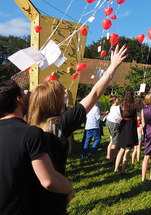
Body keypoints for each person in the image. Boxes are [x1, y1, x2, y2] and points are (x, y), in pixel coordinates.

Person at [28, 44, 127, 214]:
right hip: (54, 199)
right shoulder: (60, 124)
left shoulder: (26, 128)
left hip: (28, 200)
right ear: (55, 103)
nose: (66, 96)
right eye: (62, 95)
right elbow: (94, 94)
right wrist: (112, 66)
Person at [0, 80, 74, 214]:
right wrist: (69, 187)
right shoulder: (30, 133)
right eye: (24, 92)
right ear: (19, 99)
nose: (28, 95)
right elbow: (49, 181)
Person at [114, 90, 144, 174]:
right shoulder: (133, 104)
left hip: (123, 124)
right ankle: (123, 170)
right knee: (128, 149)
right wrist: (140, 97)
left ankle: (116, 168)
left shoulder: (121, 105)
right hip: (130, 124)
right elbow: (142, 106)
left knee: (122, 149)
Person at [105, 96, 122, 164]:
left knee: (112, 139)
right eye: (117, 98)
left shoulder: (112, 107)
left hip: (108, 122)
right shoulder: (117, 107)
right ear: (114, 101)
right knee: (115, 142)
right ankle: (112, 159)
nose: (119, 99)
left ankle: (109, 156)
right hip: (114, 124)